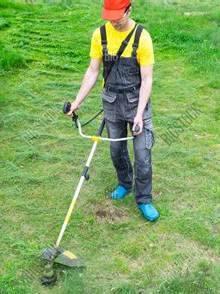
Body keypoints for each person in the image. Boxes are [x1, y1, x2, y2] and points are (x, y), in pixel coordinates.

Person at [66, 0, 159, 222]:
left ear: (129, 10)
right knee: (116, 151)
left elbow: (147, 79)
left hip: (137, 101)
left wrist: (138, 115)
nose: (114, 21)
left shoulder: (142, 37)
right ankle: (125, 183)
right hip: (111, 102)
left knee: (143, 154)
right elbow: (92, 71)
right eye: (110, 16)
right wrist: (77, 102)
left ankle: (144, 199)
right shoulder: (100, 35)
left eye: (118, 15)